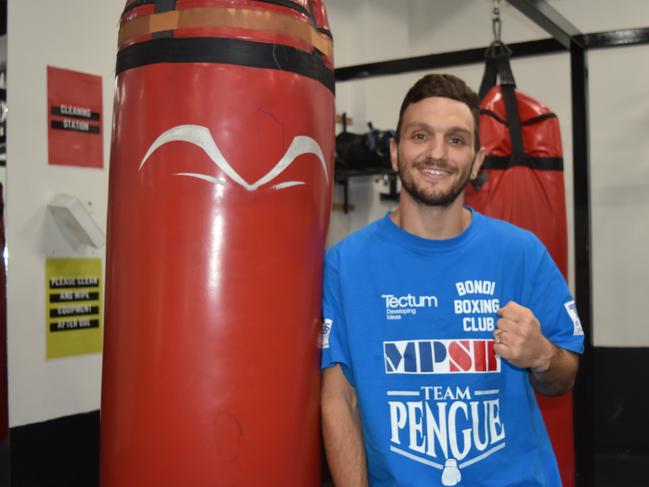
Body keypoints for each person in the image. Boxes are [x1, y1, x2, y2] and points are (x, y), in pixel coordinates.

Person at [320, 73, 584, 486]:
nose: (437, 153)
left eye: (457, 140)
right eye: (420, 136)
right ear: (394, 151)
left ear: (477, 161)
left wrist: (542, 355)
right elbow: (339, 397)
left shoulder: (522, 253)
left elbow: (565, 375)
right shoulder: (344, 265)